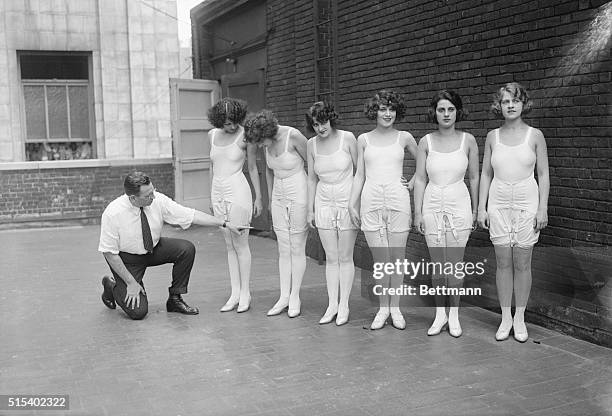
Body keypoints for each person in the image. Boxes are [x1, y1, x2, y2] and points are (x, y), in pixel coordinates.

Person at [99, 171, 245, 320]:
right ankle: (112, 286)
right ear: (133, 198)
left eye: (153, 191)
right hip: (128, 259)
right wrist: (130, 283)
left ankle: (175, 299)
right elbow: (109, 253)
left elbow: (190, 214)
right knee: (138, 312)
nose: (153, 197)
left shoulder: (158, 200)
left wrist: (224, 223)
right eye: (148, 196)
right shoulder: (113, 213)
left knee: (186, 249)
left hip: (152, 249)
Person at [478, 82, 549, 342]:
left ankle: (520, 318)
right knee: (503, 263)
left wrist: (542, 207)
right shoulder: (492, 137)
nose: (510, 105)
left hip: (526, 203)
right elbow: (486, 173)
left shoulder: (535, 135)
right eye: (506, 101)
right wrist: (481, 208)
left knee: (522, 263)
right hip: (498, 203)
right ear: (499, 105)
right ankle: (505, 317)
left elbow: (543, 174)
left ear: (523, 104)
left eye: (515, 101)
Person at [349, 90, 418, 330]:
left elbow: (424, 164)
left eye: (391, 109)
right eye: (382, 109)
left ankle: (395, 308)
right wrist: (352, 202)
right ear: (374, 111)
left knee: (396, 259)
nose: (387, 113)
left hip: (398, 201)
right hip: (371, 200)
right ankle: (383, 308)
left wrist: (411, 183)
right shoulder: (363, 139)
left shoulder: (405, 137)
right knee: (381, 261)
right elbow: (359, 174)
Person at [413, 90, 479, 337]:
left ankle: (454, 315)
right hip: (432, 205)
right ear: (435, 112)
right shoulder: (425, 142)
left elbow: (474, 177)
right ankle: (440, 314)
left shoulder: (468, 141)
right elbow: (420, 179)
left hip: (459, 204)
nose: (446, 114)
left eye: (450, 109)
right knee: (438, 264)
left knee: (455, 264)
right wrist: (417, 212)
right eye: (441, 109)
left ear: (457, 111)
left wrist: (476, 209)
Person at [244, 110, 309, 318]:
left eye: (261, 141)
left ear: (268, 131)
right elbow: (270, 171)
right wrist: (271, 199)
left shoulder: (294, 136)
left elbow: (314, 166)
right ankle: (284, 296)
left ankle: (295, 296)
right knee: (283, 247)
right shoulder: (266, 142)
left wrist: (314, 202)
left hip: (299, 190)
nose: (261, 145)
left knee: (297, 246)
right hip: (279, 194)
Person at [305, 101, 358, 326]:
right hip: (323, 201)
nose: (320, 128)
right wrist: (310, 209)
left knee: (345, 256)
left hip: (347, 200)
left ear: (331, 119)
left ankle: (344, 304)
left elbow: (360, 173)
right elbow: (311, 178)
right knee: (331, 257)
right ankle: (332, 305)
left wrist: (355, 204)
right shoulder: (311, 144)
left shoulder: (348, 138)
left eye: (323, 122)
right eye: (315, 124)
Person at [208, 98, 262, 313]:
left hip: (238, 190)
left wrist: (259, 197)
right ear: (218, 120)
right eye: (226, 123)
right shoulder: (211, 135)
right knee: (228, 245)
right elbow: (211, 165)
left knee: (240, 243)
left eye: (234, 122)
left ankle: (245, 293)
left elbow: (253, 168)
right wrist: (209, 196)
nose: (231, 127)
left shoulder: (246, 135)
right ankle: (234, 293)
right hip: (217, 191)